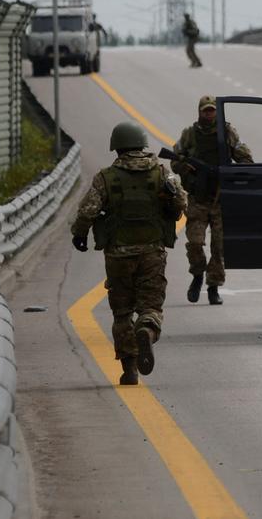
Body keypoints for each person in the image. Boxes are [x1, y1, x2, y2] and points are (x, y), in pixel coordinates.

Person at [71, 122, 187, 385]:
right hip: (152, 252)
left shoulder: (106, 177)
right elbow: (181, 203)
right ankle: (146, 329)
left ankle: (130, 370)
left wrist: (80, 234)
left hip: (118, 255)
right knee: (151, 306)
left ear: (117, 147)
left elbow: (88, 211)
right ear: (142, 144)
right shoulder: (162, 173)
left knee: (122, 313)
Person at [172, 96, 253, 305]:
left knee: (219, 248)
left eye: (212, 110)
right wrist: (188, 169)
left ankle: (213, 287)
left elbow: (245, 158)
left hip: (220, 199)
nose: (209, 114)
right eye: (205, 110)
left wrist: (231, 174)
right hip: (198, 200)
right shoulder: (189, 134)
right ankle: (197, 274)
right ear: (199, 112)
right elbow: (175, 160)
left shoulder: (227, 133)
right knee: (195, 243)